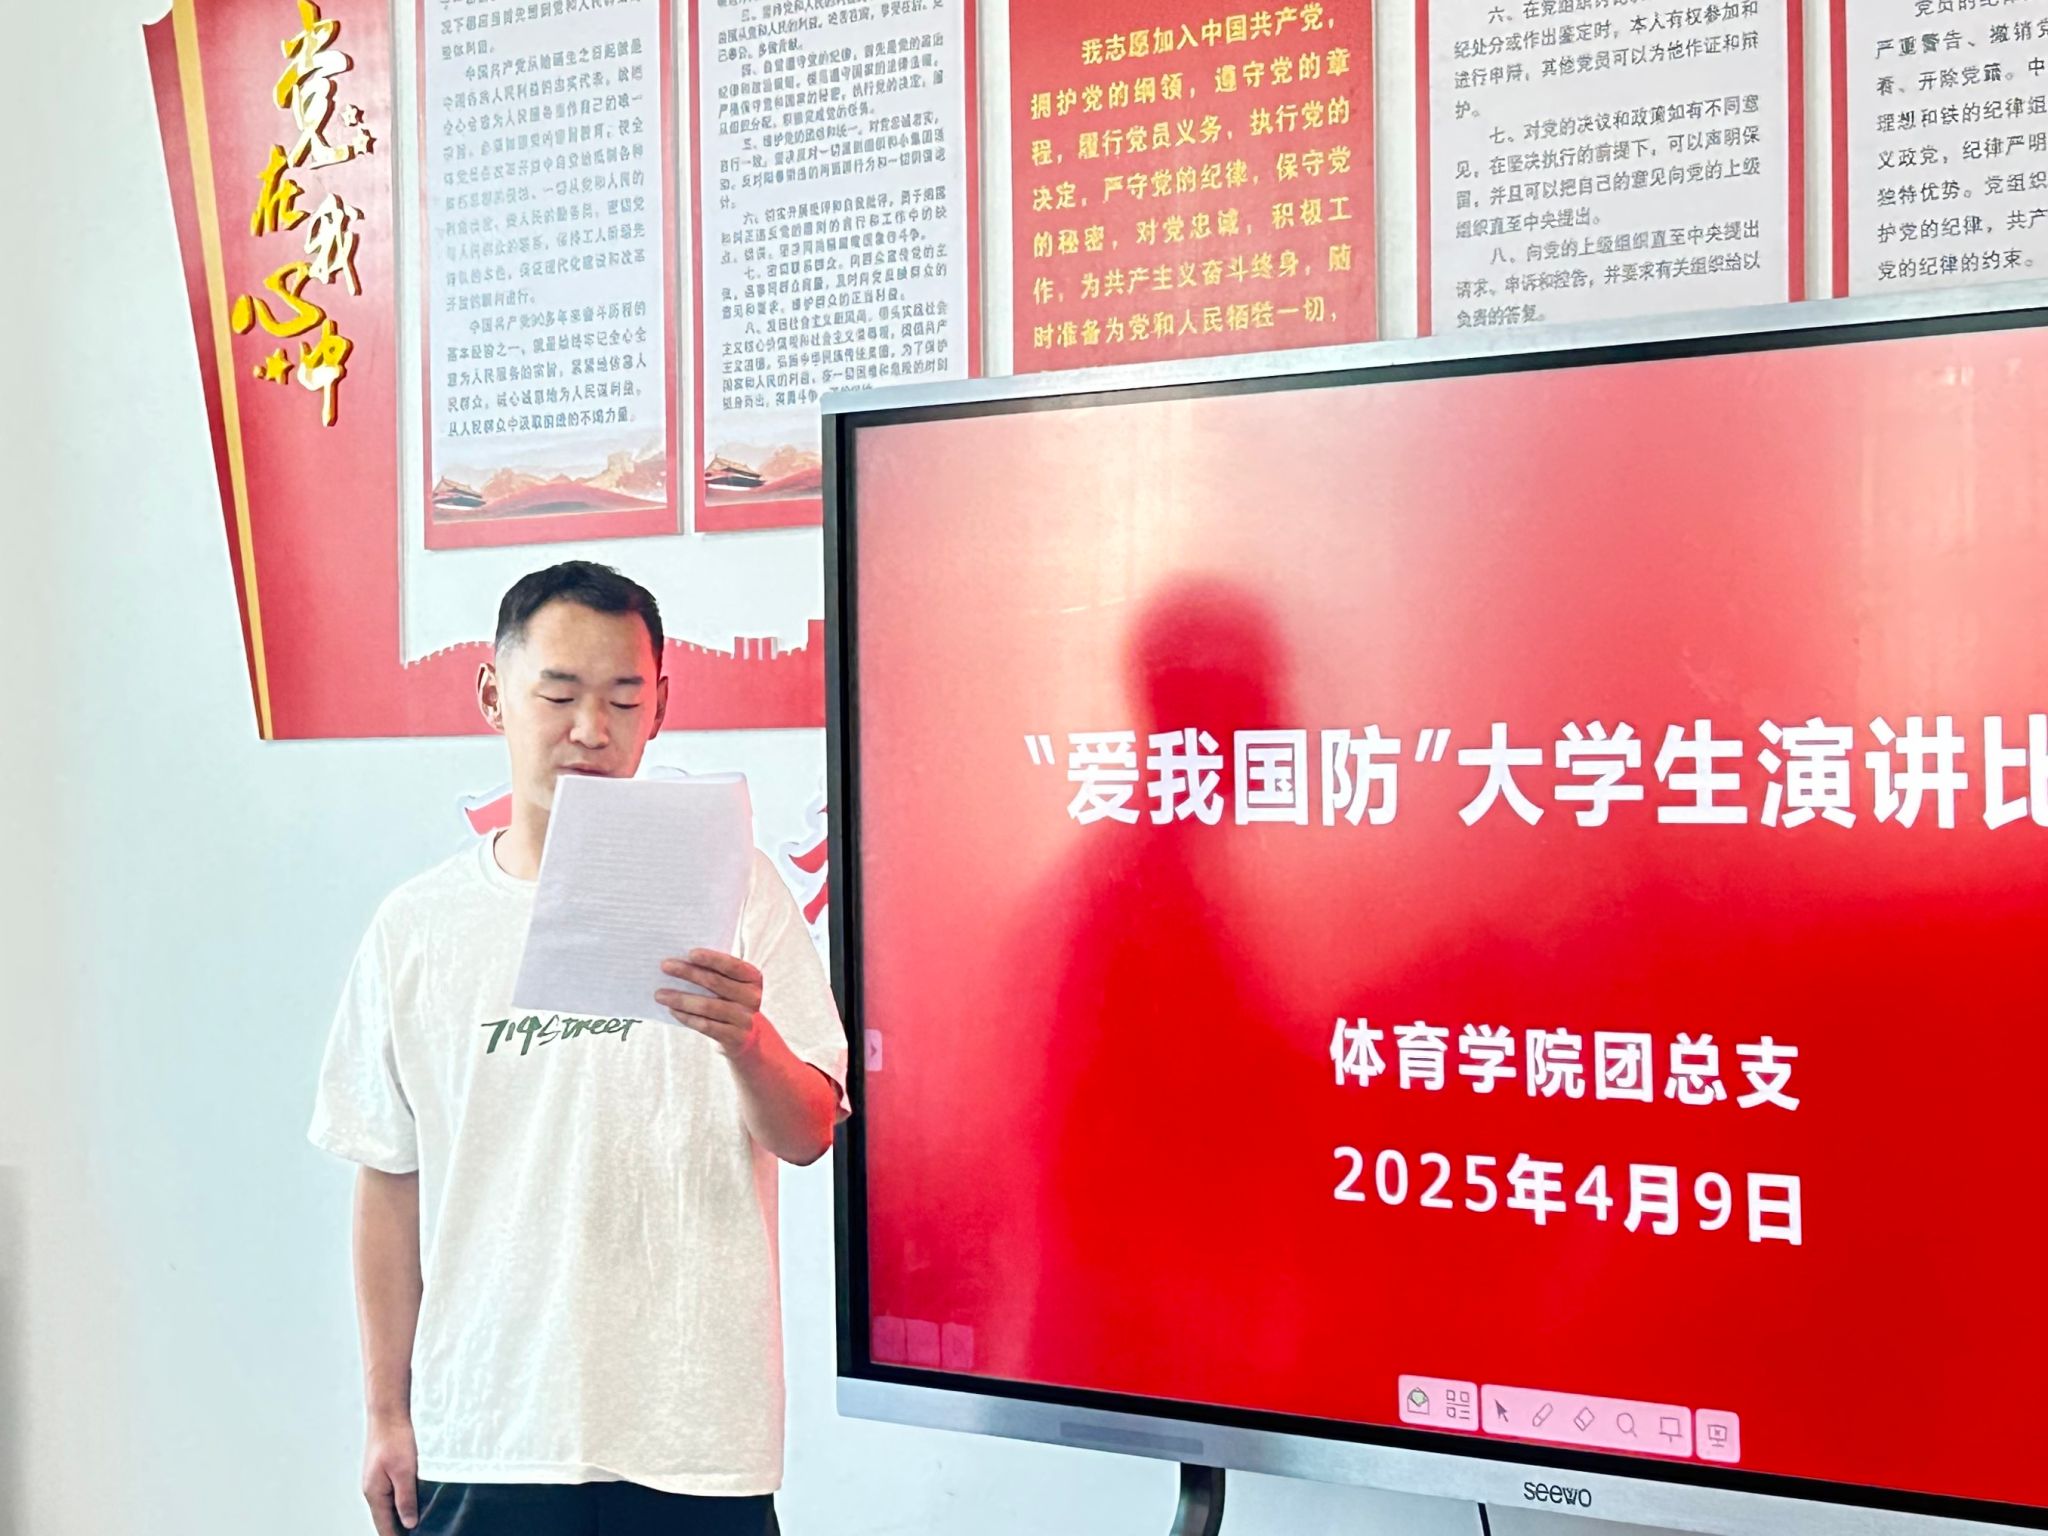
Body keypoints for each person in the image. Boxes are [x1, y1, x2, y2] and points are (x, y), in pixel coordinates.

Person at [309, 561, 847, 1536]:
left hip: (694, 1439)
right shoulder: (420, 927)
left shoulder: (737, 892)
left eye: (624, 699)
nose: (591, 729)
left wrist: (747, 1041)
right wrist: (387, 1413)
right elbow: (389, 1179)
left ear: (660, 708)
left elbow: (809, 1131)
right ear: (492, 695)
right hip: (488, 1429)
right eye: (558, 695)